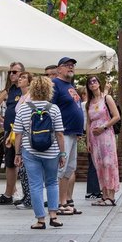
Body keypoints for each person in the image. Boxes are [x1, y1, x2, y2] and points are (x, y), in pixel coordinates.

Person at [13, 76, 65, 229]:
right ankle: (54, 216)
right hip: (52, 152)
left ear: (32, 89)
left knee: (35, 185)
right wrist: (62, 154)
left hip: (31, 152)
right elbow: (59, 134)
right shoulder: (54, 108)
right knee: (52, 182)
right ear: (49, 90)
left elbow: (18, 134)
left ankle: (40, 220)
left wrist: (17, 154)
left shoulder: (23, 108)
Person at [52, 57, 85, 216]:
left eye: (72, 65)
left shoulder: (69, 85)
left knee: (69, 169)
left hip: (73, 133)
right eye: (67, 65)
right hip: (62, 133)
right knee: (61, 168)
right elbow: (50, 108)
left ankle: (64, 202)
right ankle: (57, 203)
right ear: (59, 69)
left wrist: (79, 130)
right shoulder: (55, 85)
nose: (71, 67)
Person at [0, 62, 26, 205]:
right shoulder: (8, 90)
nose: (12, 74)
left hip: (22, 132)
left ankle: (23, 194)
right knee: (10, 163)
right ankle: (9, 193)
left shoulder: (25, 90)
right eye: (10, 72)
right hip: (10, 132)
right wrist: (4, 120)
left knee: (24, 163)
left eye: (15, 72)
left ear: (22, 73)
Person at [85, 76, 121, 206]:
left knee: (108, 163)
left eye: (94, 81)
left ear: (99, 83)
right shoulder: (89, 102)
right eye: (90, 82)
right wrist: (88, 140)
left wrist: (103, 126)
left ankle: (111, 196)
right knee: (98, 165)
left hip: (106, 135)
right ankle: (104, 194)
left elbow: (117, 116)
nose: (92, 84)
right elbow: (88, 122)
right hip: (94, 138)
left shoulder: (107, 98)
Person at [12, 72, 34, 209]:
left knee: (27, 168)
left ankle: (30, 198)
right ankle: (27, 195)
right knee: (22, 169)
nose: (20, 79)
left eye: (24, 77)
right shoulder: (22, 97)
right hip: (21, 135)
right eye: (20, 77)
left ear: (30, 82)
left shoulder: (30, 97)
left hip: (28, 137)